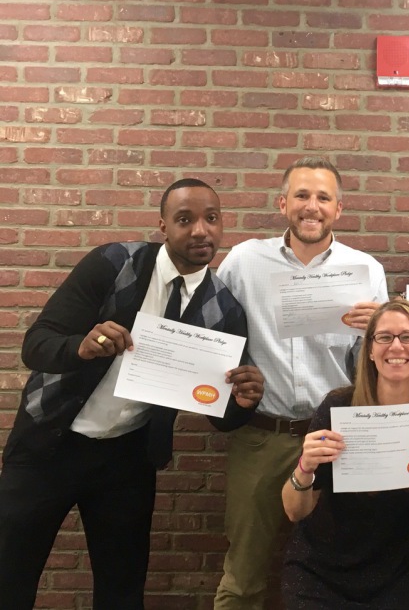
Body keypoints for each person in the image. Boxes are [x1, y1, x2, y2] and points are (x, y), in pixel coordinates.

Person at [0, 178, 265, 609]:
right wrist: (81, 347)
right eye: (185, 219)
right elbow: (37, 344)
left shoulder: (223, 310)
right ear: (163, 226)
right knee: (9, 576)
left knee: (121, 590)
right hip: (48, 444)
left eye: (211, 218)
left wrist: (244, 403)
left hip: (126, 459)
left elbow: (222, 417)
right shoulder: (113, 263)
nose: (201, 230)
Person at [214, 157, 388, 609]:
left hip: (337, 438)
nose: (312, 206)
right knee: (243, 576)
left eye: (323, 198)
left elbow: (382, 364)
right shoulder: (244, 261)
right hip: (262, 437)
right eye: (302, 196)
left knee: (340, 566)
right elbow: (213, 331)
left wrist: (378, 330)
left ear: (339, 209)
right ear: (282, 203)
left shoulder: (365, 269)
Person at [281, 298, 409, 609]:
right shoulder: (337, 407)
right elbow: (294, 512)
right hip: (320, 569)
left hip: (394, 573)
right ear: (371, 351)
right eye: (384, 337)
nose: (396, 346)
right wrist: (304, 468)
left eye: (408, 336)